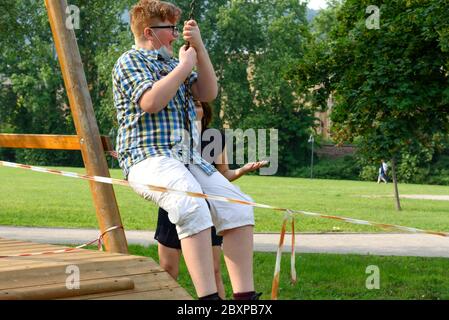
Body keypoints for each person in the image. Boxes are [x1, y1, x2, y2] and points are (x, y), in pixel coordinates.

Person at [112, 0, 258, 300]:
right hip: (147, 157)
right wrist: (183, 67)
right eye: (171, 30)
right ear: (150, 32)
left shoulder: (171, 63)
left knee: (238, 207)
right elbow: (151, 102)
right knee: (191, 204)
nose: (176, 35)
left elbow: (208, 92)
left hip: (187, 159)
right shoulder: (129, 61)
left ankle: (245, 299)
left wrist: (200, 49)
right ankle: (208, 300)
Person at [155, 101, 267, 299]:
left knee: (214, 269)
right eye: (189, 105)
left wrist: (242, 170)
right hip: (176, 203)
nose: (194, 108)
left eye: (198, 105)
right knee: (167, 268)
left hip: (210, 208)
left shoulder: (215, 138)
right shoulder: (171, 135)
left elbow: (223, 173)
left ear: (205, 111)